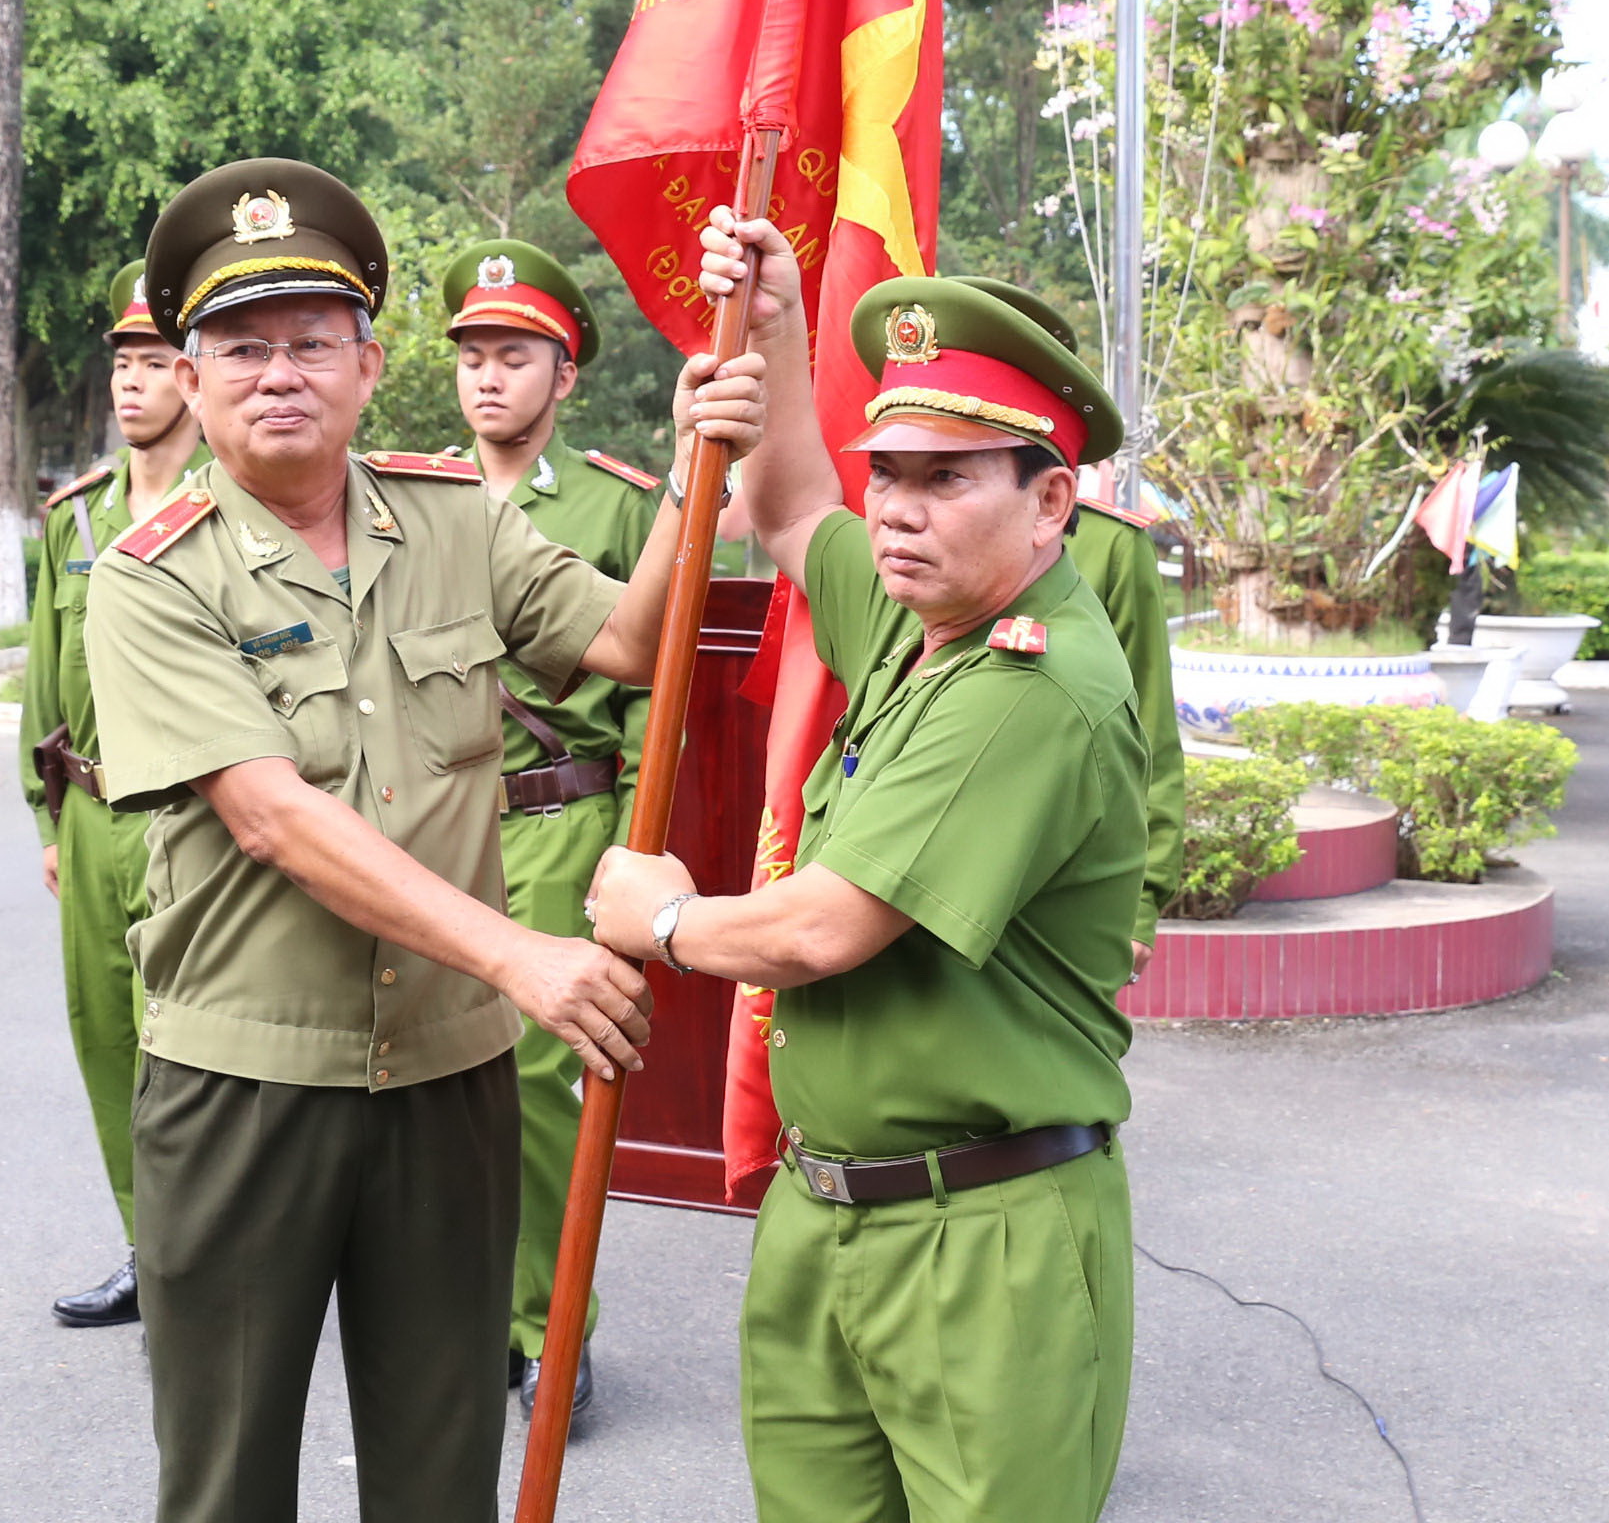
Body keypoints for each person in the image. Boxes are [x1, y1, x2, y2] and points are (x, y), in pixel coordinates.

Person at [86, 159, 756, 1523]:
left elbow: (628, 641)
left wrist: (700, 467)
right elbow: (273, 814)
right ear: (195, 376)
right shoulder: (151, 575)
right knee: (225, 1484)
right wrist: (521, 958)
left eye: (311, 344)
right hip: (244, 1087)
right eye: (242, 346)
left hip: (448, 1080)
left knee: (442, 1468)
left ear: (367, 364)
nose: (280, 374)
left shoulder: (459, 522)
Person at [587, 214, 1148, 1523]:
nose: (897, 508)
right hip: (828, 1208)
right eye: (888, 468)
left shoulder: (1031, 684)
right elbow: (785, 504)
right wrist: (775, 322)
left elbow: (822, 932)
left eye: (947, 476)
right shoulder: (921, 623)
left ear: (1050, 499)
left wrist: (662, 915)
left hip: (981, 1236)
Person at [436, 238, 653, 1423]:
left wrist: (632, 847)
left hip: (560, 817)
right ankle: (453, 1308)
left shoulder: (618, 505)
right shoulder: (408, 493)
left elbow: (659, 692)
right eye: (472, 355)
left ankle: (544, 1332)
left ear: (564, 376)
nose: (488, 377)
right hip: (435, 828)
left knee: (534, 1085)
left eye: (514, 356)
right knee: (433, 1076)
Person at [25, 264, 205, 1329]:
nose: (129, 385)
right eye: (120, 365)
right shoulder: (76, 516)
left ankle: (214, 1250)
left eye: (150, 364)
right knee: (106, 1039)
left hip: (193, 812)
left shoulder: (230, 508)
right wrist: (46, 814)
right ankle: (150, 1247)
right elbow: (44, 671)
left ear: (190, 374)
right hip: (91, 813)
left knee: (194, 1048)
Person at [955, 275, 1187, 969]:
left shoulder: (1112, 548)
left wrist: (1142, 902)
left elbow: (1150, 725)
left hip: (1051, 872)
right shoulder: (910, 538)